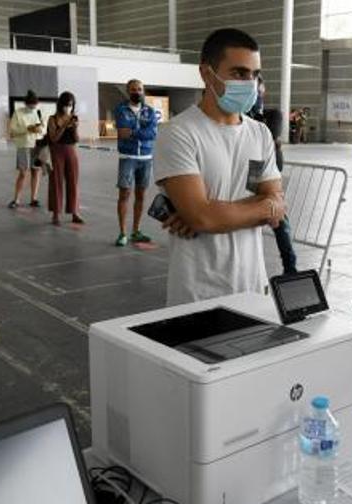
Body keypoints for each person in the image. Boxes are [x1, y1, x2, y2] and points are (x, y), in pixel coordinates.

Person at [153, 28, 286, 305]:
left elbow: (276, 206)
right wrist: (262, 206)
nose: (250, 82)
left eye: (255, 74)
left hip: (252, 287)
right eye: (239, 73)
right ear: (206, 73)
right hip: (198, 293)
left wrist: (207, 214)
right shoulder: (179, 133)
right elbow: (204, 218)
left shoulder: (259, 134)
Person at [249, 78, 297, 274]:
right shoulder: (240, 118)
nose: (257, 96)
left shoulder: (271, 115)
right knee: (249, 209)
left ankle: (290, 265)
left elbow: (269, 139)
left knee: (277, 215)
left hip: (263, 167)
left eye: (259, 93)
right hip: (251, 166)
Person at [113, 79, 159, 246]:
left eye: (139, 89)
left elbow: (153, 133)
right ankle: (123, 233)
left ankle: (136, 231)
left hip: (146, 158)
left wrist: (133, 132)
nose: (137, 92)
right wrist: (141, 131)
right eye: (133, 89)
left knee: (141, 195)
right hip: (128, 157)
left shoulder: (150, 111)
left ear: (143, 91)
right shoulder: (121, 110)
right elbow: (123, 131)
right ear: (128, 91)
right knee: (124, 194)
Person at [45, 91, 83, 225]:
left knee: (73, 181)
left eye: (71, 105)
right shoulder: (52, 119)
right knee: (56, 182)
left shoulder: (74, 118)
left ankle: (74, 212)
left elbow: (77, 139)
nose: (68, 108)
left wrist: (75, 128)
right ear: (60, 105)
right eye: (66, 105)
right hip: (57, 151)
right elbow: (54, 138)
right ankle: (56, 214)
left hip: (71, 150)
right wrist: (64, 126)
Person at [8, 90, 45, 209]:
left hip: (36, 145)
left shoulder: (36, 112)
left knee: (36, 171)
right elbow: (12, 130)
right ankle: (16, 200)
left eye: (35, 105)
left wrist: (40, 130)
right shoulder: (18, 113)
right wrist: (27, 129)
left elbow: (42, 129)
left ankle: (33, 199)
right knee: (23, 173)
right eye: (31, 105)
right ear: (26, 103)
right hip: (23, 146)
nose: (33, 107)